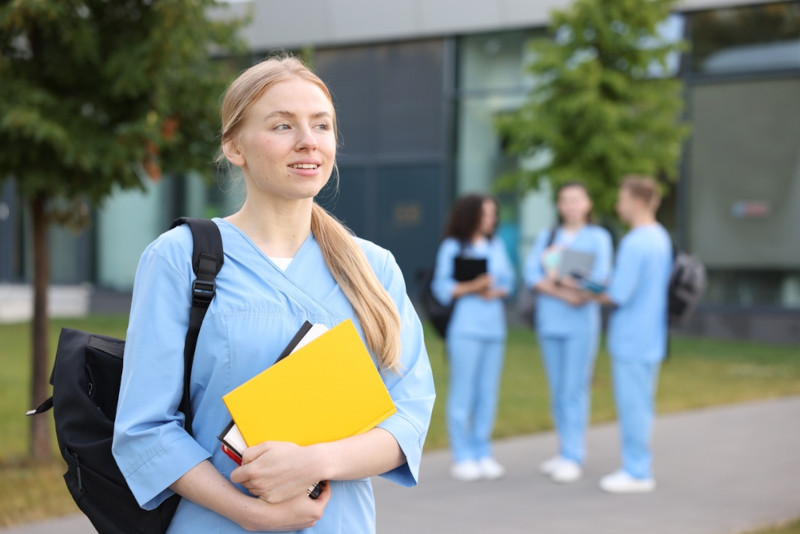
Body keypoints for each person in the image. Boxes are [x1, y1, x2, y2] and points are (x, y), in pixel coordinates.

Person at [112, 55, 436, 533]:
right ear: (234, 146)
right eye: (283, 125)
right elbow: (145, 431)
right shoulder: (181, 258)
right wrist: (253, 514)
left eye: (321, 125)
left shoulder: (374, 268)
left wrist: (313, 462)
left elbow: (407, 419)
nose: (308, 141)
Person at [522, 182, 613, 483]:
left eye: (575, 199)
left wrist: (567, 283)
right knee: (558, 389)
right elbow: (531, 274)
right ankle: (563, 451)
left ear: (587, 203)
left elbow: (600, 279)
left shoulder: (598, 237)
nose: (569, 206)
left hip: (580, 327)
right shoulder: (550, 235)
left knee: (575, 389)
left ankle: (574, 454)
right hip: (551, 323)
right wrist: (563, 290)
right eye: (564, 200)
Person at [592, 175, 672, 493]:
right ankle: (638, 466)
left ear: (638, 201)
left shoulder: (635, 241)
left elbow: (618, 294)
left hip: (631, 337)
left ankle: (637, 471)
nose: (618, 205)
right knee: (642, 404)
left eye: (622, 198)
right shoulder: (660, 237)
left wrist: (584, 287)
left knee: (633, 406)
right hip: (650, 335)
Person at [431, 194, 514, 482]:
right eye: (485, 214)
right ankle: (462, 455)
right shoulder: (453, 246)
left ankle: (483, 451)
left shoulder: (497, 244)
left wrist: (498, 290)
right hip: (465, 329)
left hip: (495, 329)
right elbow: (442, 287)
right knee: (462, 392)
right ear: (470, 215)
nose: (490, 220)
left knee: (487, 392)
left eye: (493, 214)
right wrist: (473, 286)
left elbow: (508, 281)